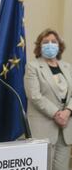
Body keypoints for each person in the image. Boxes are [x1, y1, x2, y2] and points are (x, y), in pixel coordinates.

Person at [24, 28, 72, 170]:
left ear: (59, 45)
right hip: (43, 126)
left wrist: (68, 111)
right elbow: (34, 95)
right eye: (46, 42)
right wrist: (57, 113)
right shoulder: (33, 66)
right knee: (43, 166)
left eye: (54, 41)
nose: (50, 44)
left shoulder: (67, 67)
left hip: (66, 127)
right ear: (40, 46)